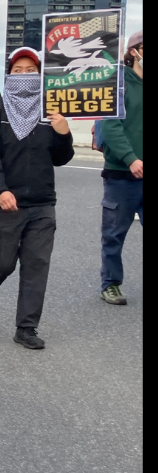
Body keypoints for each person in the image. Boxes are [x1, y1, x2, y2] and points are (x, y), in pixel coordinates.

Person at [0, 48, 74, 348]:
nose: (25, 75)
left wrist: (64, 134)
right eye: (19, 70)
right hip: (2, 203)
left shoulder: (49, 113)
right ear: (9, 74)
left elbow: (61, 158)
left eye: (31, 70)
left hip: (41, 204)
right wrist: (0, 191)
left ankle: (26, 328)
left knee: (36, 265)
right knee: (1, 264)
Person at [97, 32, 143, 306]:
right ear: (134, 52)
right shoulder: (119, 83)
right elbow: (109, 124)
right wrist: (130, 158)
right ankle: (111, 283)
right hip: (121, 173)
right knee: (114, 233)